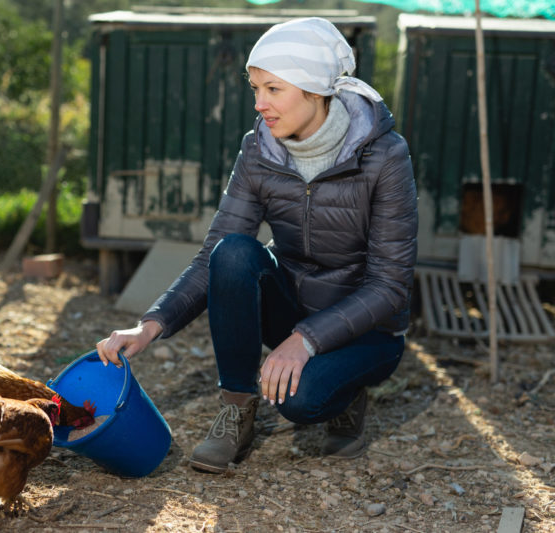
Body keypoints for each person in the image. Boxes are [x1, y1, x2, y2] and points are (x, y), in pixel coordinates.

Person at [96, 17, 418, 474]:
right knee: (233, 252)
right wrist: (150, 325)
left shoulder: (385, 156)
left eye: (273, 89)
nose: (260, 104)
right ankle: (237, 411)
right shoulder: (259, 150)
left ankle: (346, 394)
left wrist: (307, 341)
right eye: (255, 89)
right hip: (293, 311)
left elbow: (391, 286)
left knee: (301, 401)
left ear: (313, 89)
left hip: (368, 331)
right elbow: (215, 257)